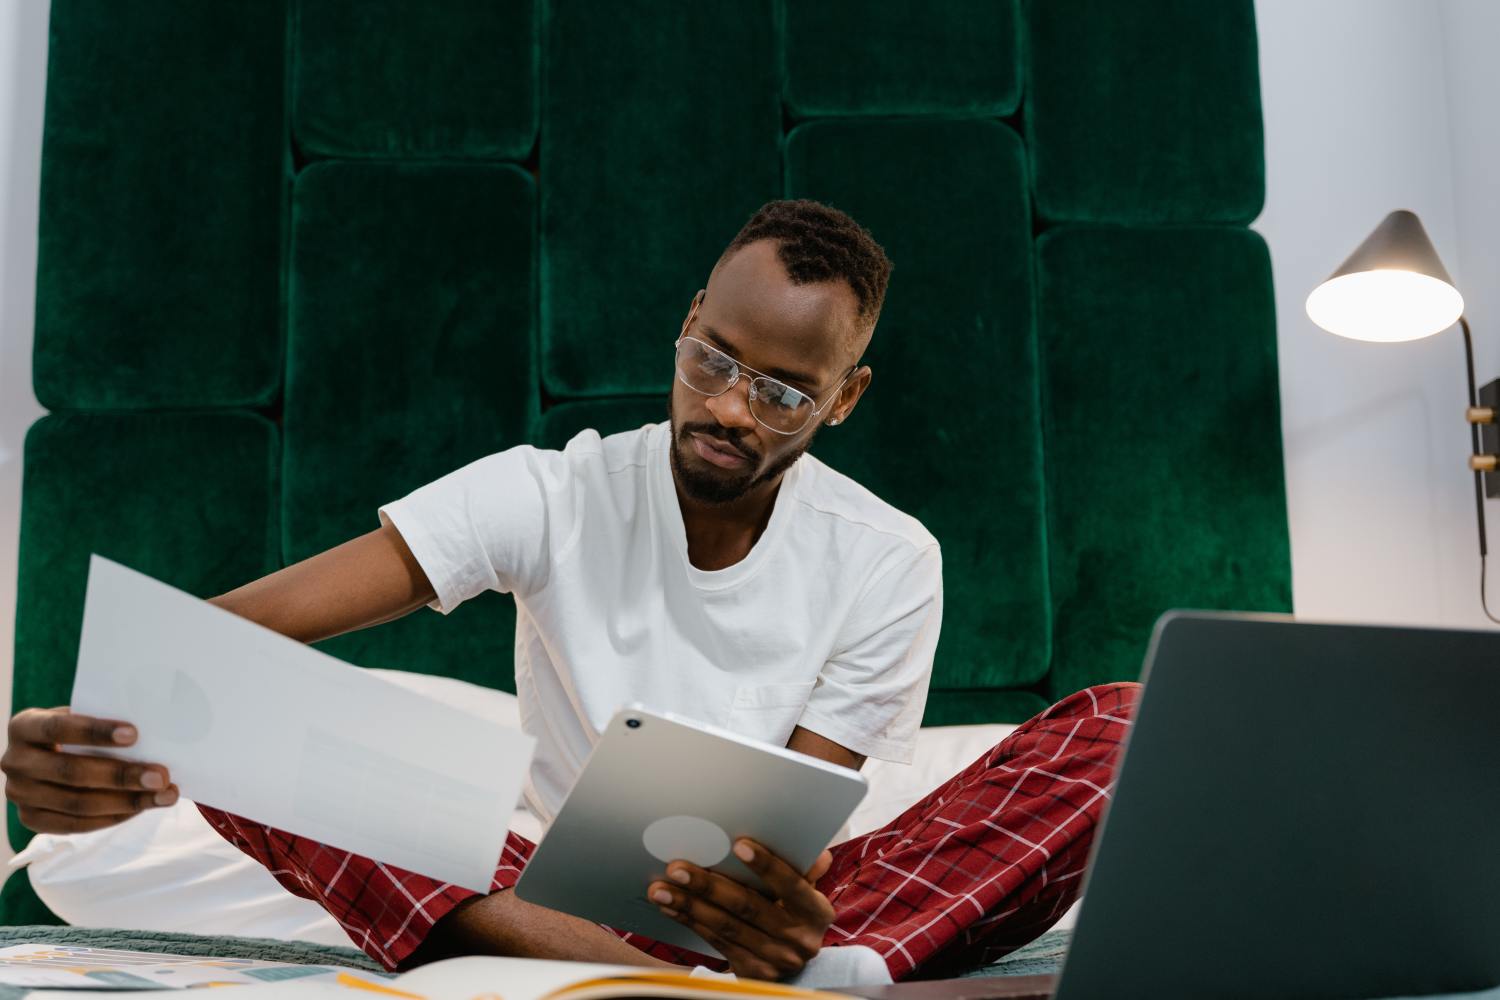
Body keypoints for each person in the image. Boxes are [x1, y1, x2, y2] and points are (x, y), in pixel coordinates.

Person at [2, 200, 1138, 982]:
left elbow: (791, 833)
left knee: (1129, 721)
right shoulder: (550, 492)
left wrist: (784, 913)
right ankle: (648, 976)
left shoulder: (891, 556)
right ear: (689, 320)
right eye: (717, 362)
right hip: (542, 898)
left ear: (846, 399)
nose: (734, 410)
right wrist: (106, 720)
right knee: (262, 717)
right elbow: (228, 638)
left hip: (784, 918)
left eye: (786, 394)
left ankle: (785, 974)